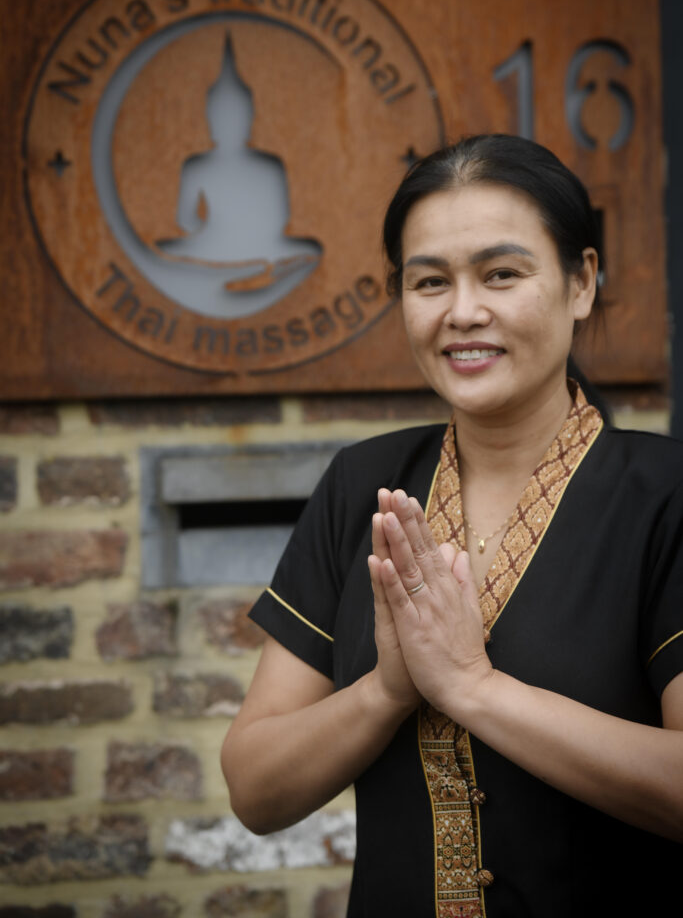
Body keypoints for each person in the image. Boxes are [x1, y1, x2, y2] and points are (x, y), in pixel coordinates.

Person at [221, 135, 683, 917]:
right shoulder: (360, 490)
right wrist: (385, 691)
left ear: (581, 282)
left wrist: (473, 688)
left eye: (501, 274)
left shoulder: (662, 497)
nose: (462, 312)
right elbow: (255, 790)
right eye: (429, 281)